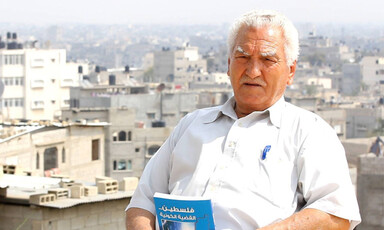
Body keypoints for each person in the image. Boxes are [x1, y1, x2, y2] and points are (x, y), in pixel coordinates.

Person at [126, 9, 361, 230]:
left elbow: (336, 215)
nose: (253, 71)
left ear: (290, 71)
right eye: (243, 57)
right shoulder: (191, 125)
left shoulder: (309, 132)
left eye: (268, 60)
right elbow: (142, 203)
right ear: (229, 65)